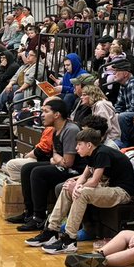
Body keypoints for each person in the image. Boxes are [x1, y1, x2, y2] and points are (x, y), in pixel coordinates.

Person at [27, 125, 134, 253]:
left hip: (122, 192)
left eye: (79, 144)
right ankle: (51, 230)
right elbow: (84, 177)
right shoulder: (92, 154)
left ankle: (69, 240)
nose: (76, 148)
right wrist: (74, 185)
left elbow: (94, 182)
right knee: (67, 185)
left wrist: (78, 188)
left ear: (89, 145)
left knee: (82, 193)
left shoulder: (102, 153)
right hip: (109, 187)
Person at [11, 98, 81, 232]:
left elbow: (68, 162)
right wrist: (56, 159)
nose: (42, 115)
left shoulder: (71, 130)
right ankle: (29, 213)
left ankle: (39, 217)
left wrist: (56, 159)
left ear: (57, 114)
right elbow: (55, 154)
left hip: (75, 170)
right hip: (63, 165)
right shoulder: (55, 130)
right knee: (27, 169)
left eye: (46, 111)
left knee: (38, 172)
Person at [108, 56, 134, 148]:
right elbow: (119, 105)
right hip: (132, 113)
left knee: (123, 116)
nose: (114, 74)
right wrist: (115, 113)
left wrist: (119, 114)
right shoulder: (123, 85)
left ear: (125, 74)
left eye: (116, 71)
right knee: (116, 114)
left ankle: (125, 143)